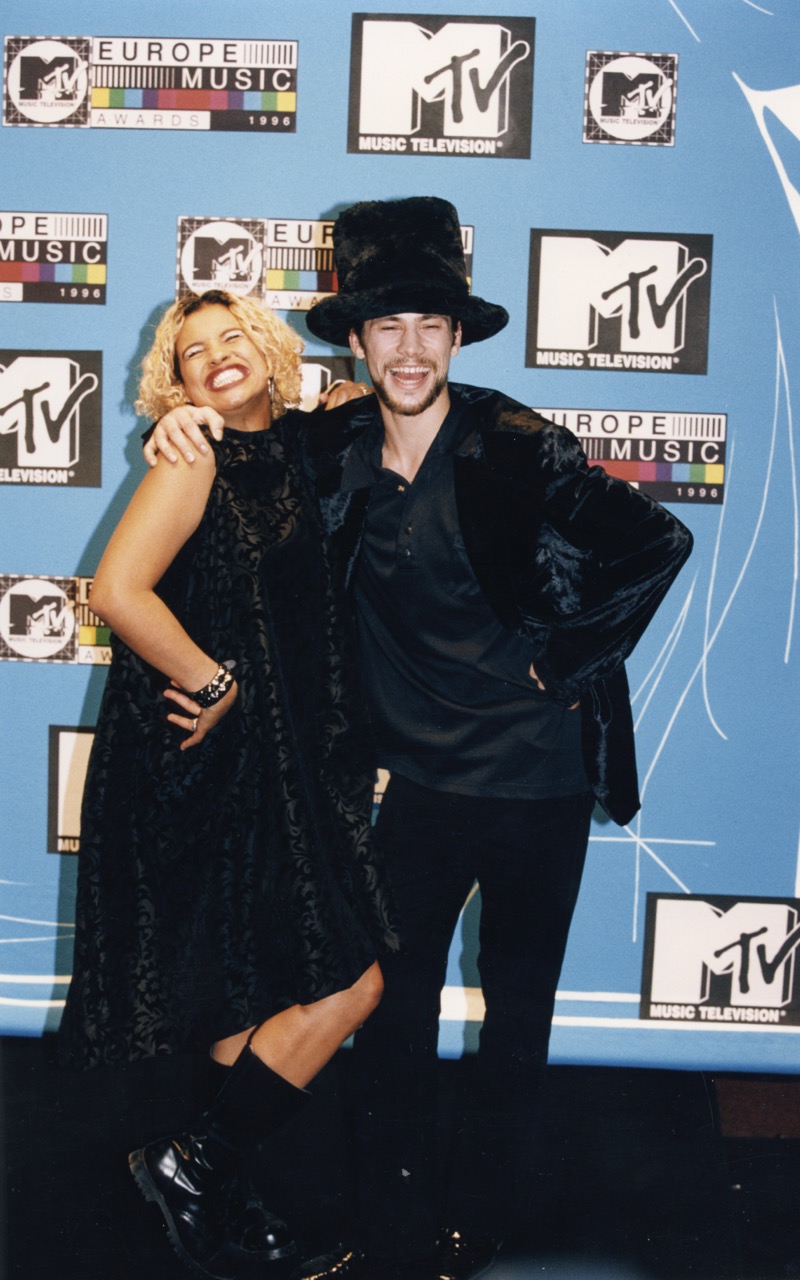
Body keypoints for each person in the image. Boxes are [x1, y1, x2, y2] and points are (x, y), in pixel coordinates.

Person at [145, 197, 694, 1280]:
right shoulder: (332, 445)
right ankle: (389, 1216)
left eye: (429, 325)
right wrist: (184, 421)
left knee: (516, 1013)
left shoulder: (519, 444)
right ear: (354, 338)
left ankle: (479, 1217)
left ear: (456, 335)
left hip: (537, 785)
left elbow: (657, 538)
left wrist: (561, 660)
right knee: (390, 1017)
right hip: (419, 791)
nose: (408, 347)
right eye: (386, 325)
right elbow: (247, 483)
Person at [58, 288, 398, 1280]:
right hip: (205, 761)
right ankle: (195, 1163)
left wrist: (337, 393)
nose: (217, 357)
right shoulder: (191, 452)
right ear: (178, 380)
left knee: (254, 997)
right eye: (194, 351)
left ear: (268, 346)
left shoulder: (305, 436)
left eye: (233, 336)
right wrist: (213, 680)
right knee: (350, 980)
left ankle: (220, 1194)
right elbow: (117, 590)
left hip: (287, 762)